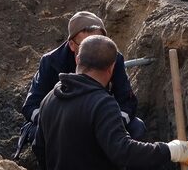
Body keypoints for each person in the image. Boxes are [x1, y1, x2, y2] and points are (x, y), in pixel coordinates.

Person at [34, 34, 188, 170]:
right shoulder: (102, 104)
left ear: (77, 59)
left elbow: (38, 147)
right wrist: (172, 150)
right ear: (111, 69)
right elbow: (123, 151)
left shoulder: (50, 98)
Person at [17, 10, 146, 158]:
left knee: (136, 128)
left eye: (99, 42)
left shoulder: (111, 57)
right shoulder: (51, 61)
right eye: (86, 45)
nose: (95, 50)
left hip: (98, 120)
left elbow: (127, 101)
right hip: (60, 125)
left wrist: (113, 124)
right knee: (37, 133)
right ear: (72, 45)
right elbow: (30, 106)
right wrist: (59, 124)